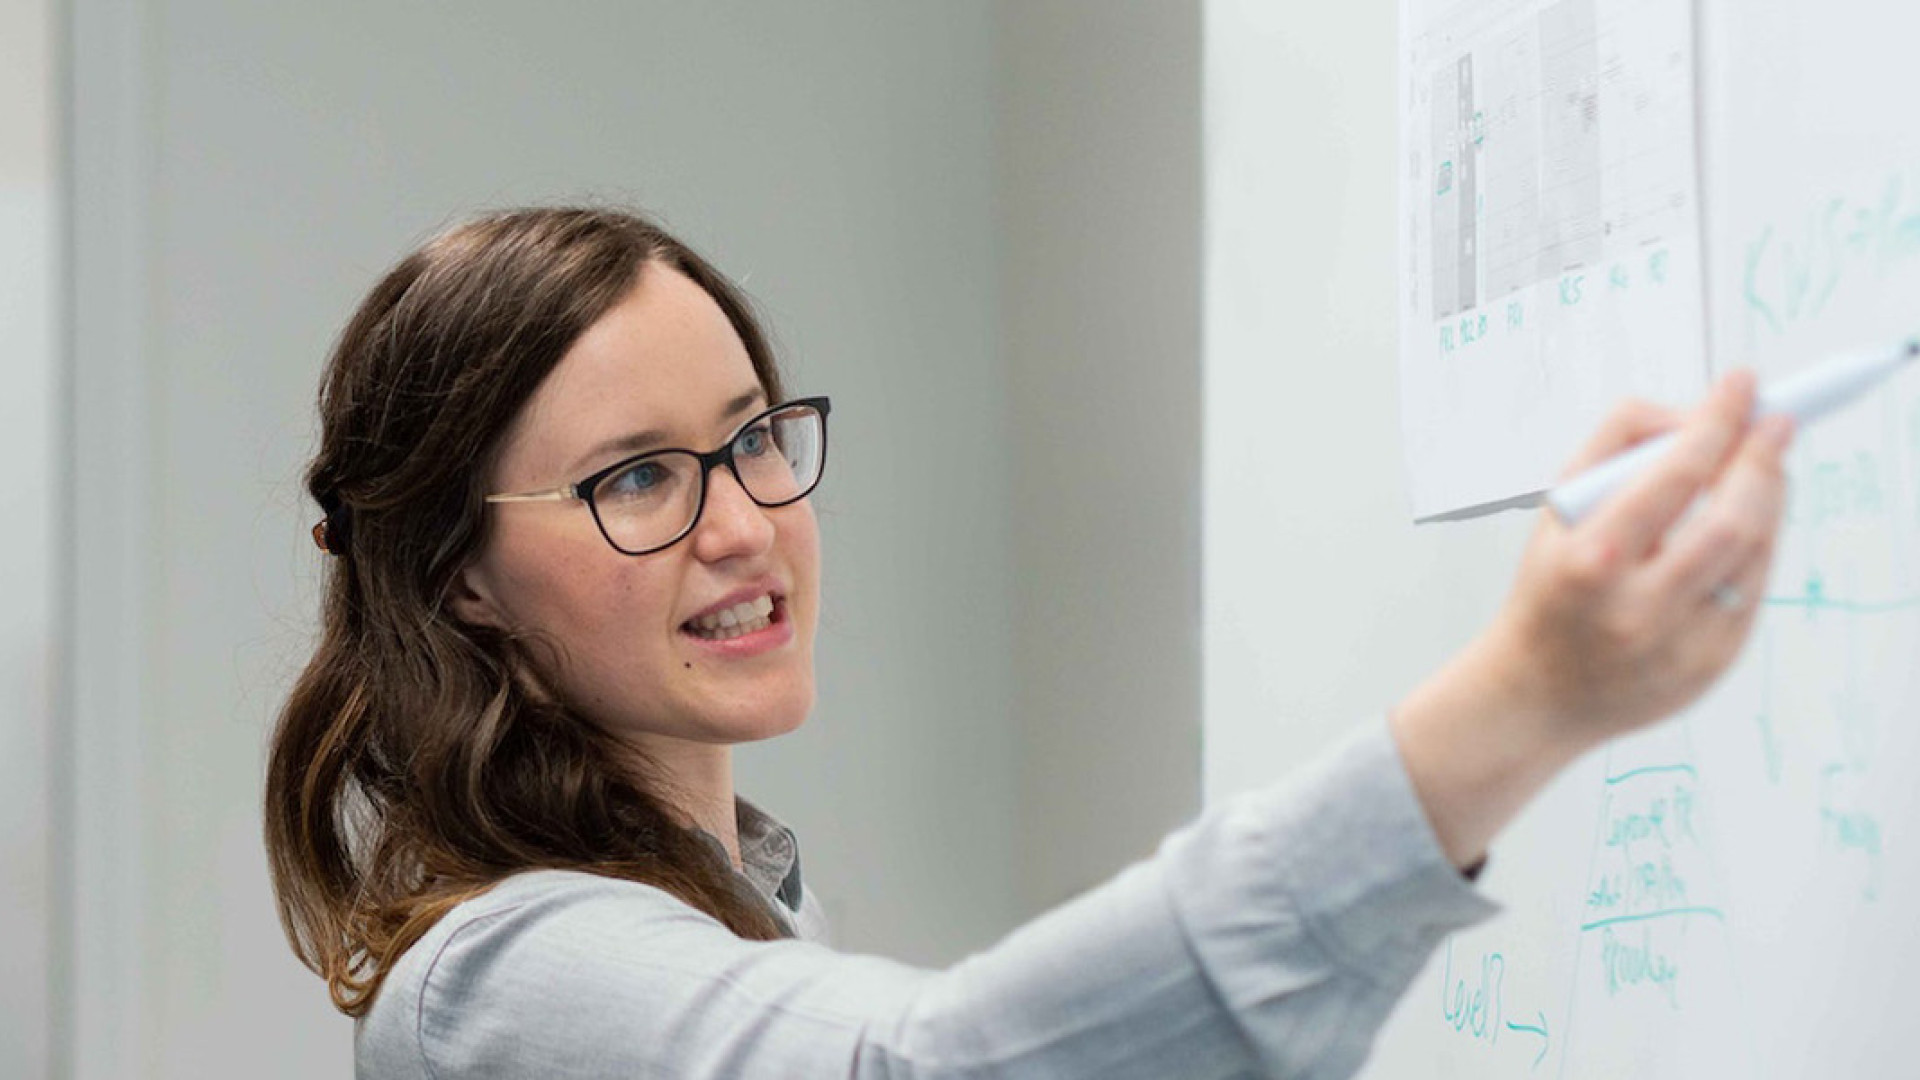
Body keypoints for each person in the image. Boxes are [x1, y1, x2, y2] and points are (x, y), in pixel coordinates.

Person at [264, 207, 1792, 1079]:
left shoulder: (748, 901)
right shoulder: (505, 977)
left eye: (753, 440)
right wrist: (1519, 703)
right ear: (462, 578)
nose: (744, 525)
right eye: (640, 479)